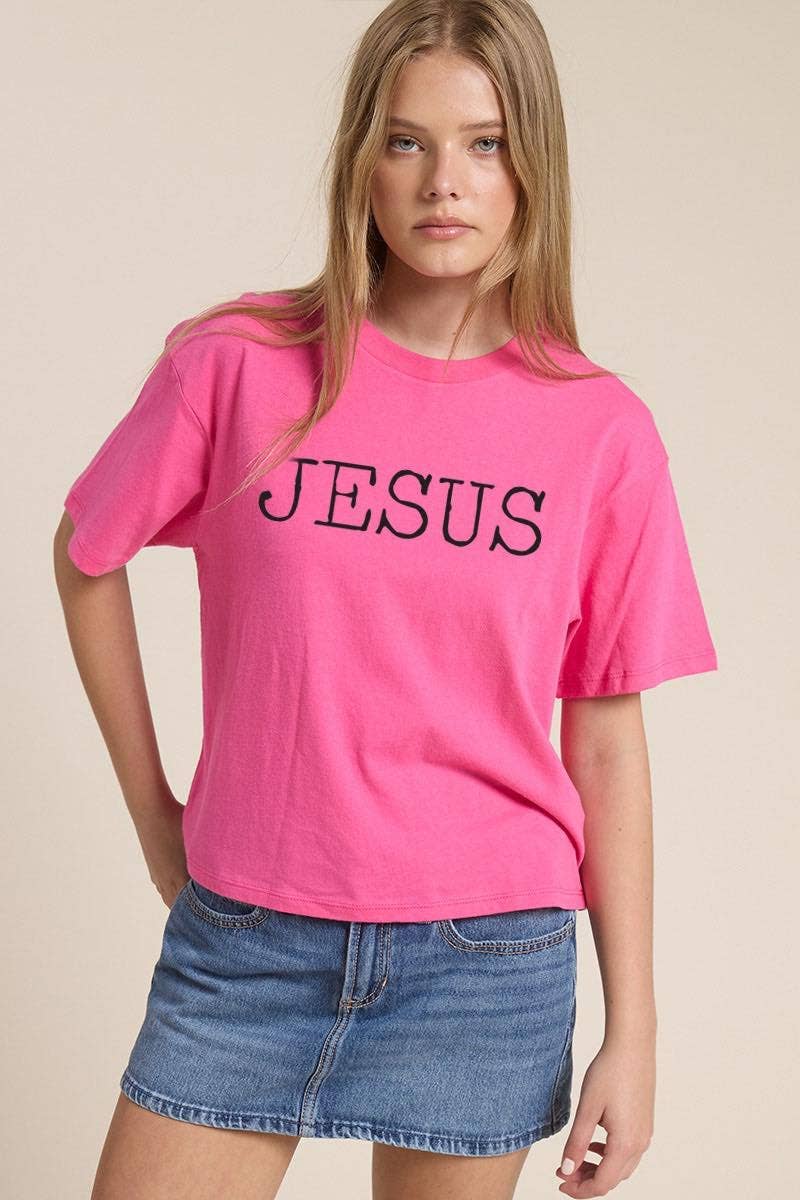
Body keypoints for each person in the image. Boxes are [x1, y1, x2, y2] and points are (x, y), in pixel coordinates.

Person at [54, 2, 718, 1198]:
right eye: (406, 141)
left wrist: (635, 1031)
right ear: (361, 158)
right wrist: (155, 816)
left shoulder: (599, 431)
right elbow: (86, 553)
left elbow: (606, 741)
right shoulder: (239, 364)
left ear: (532, 165)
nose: (441, 182)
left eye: (483, 143)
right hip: (244, 944)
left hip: (484, 963)